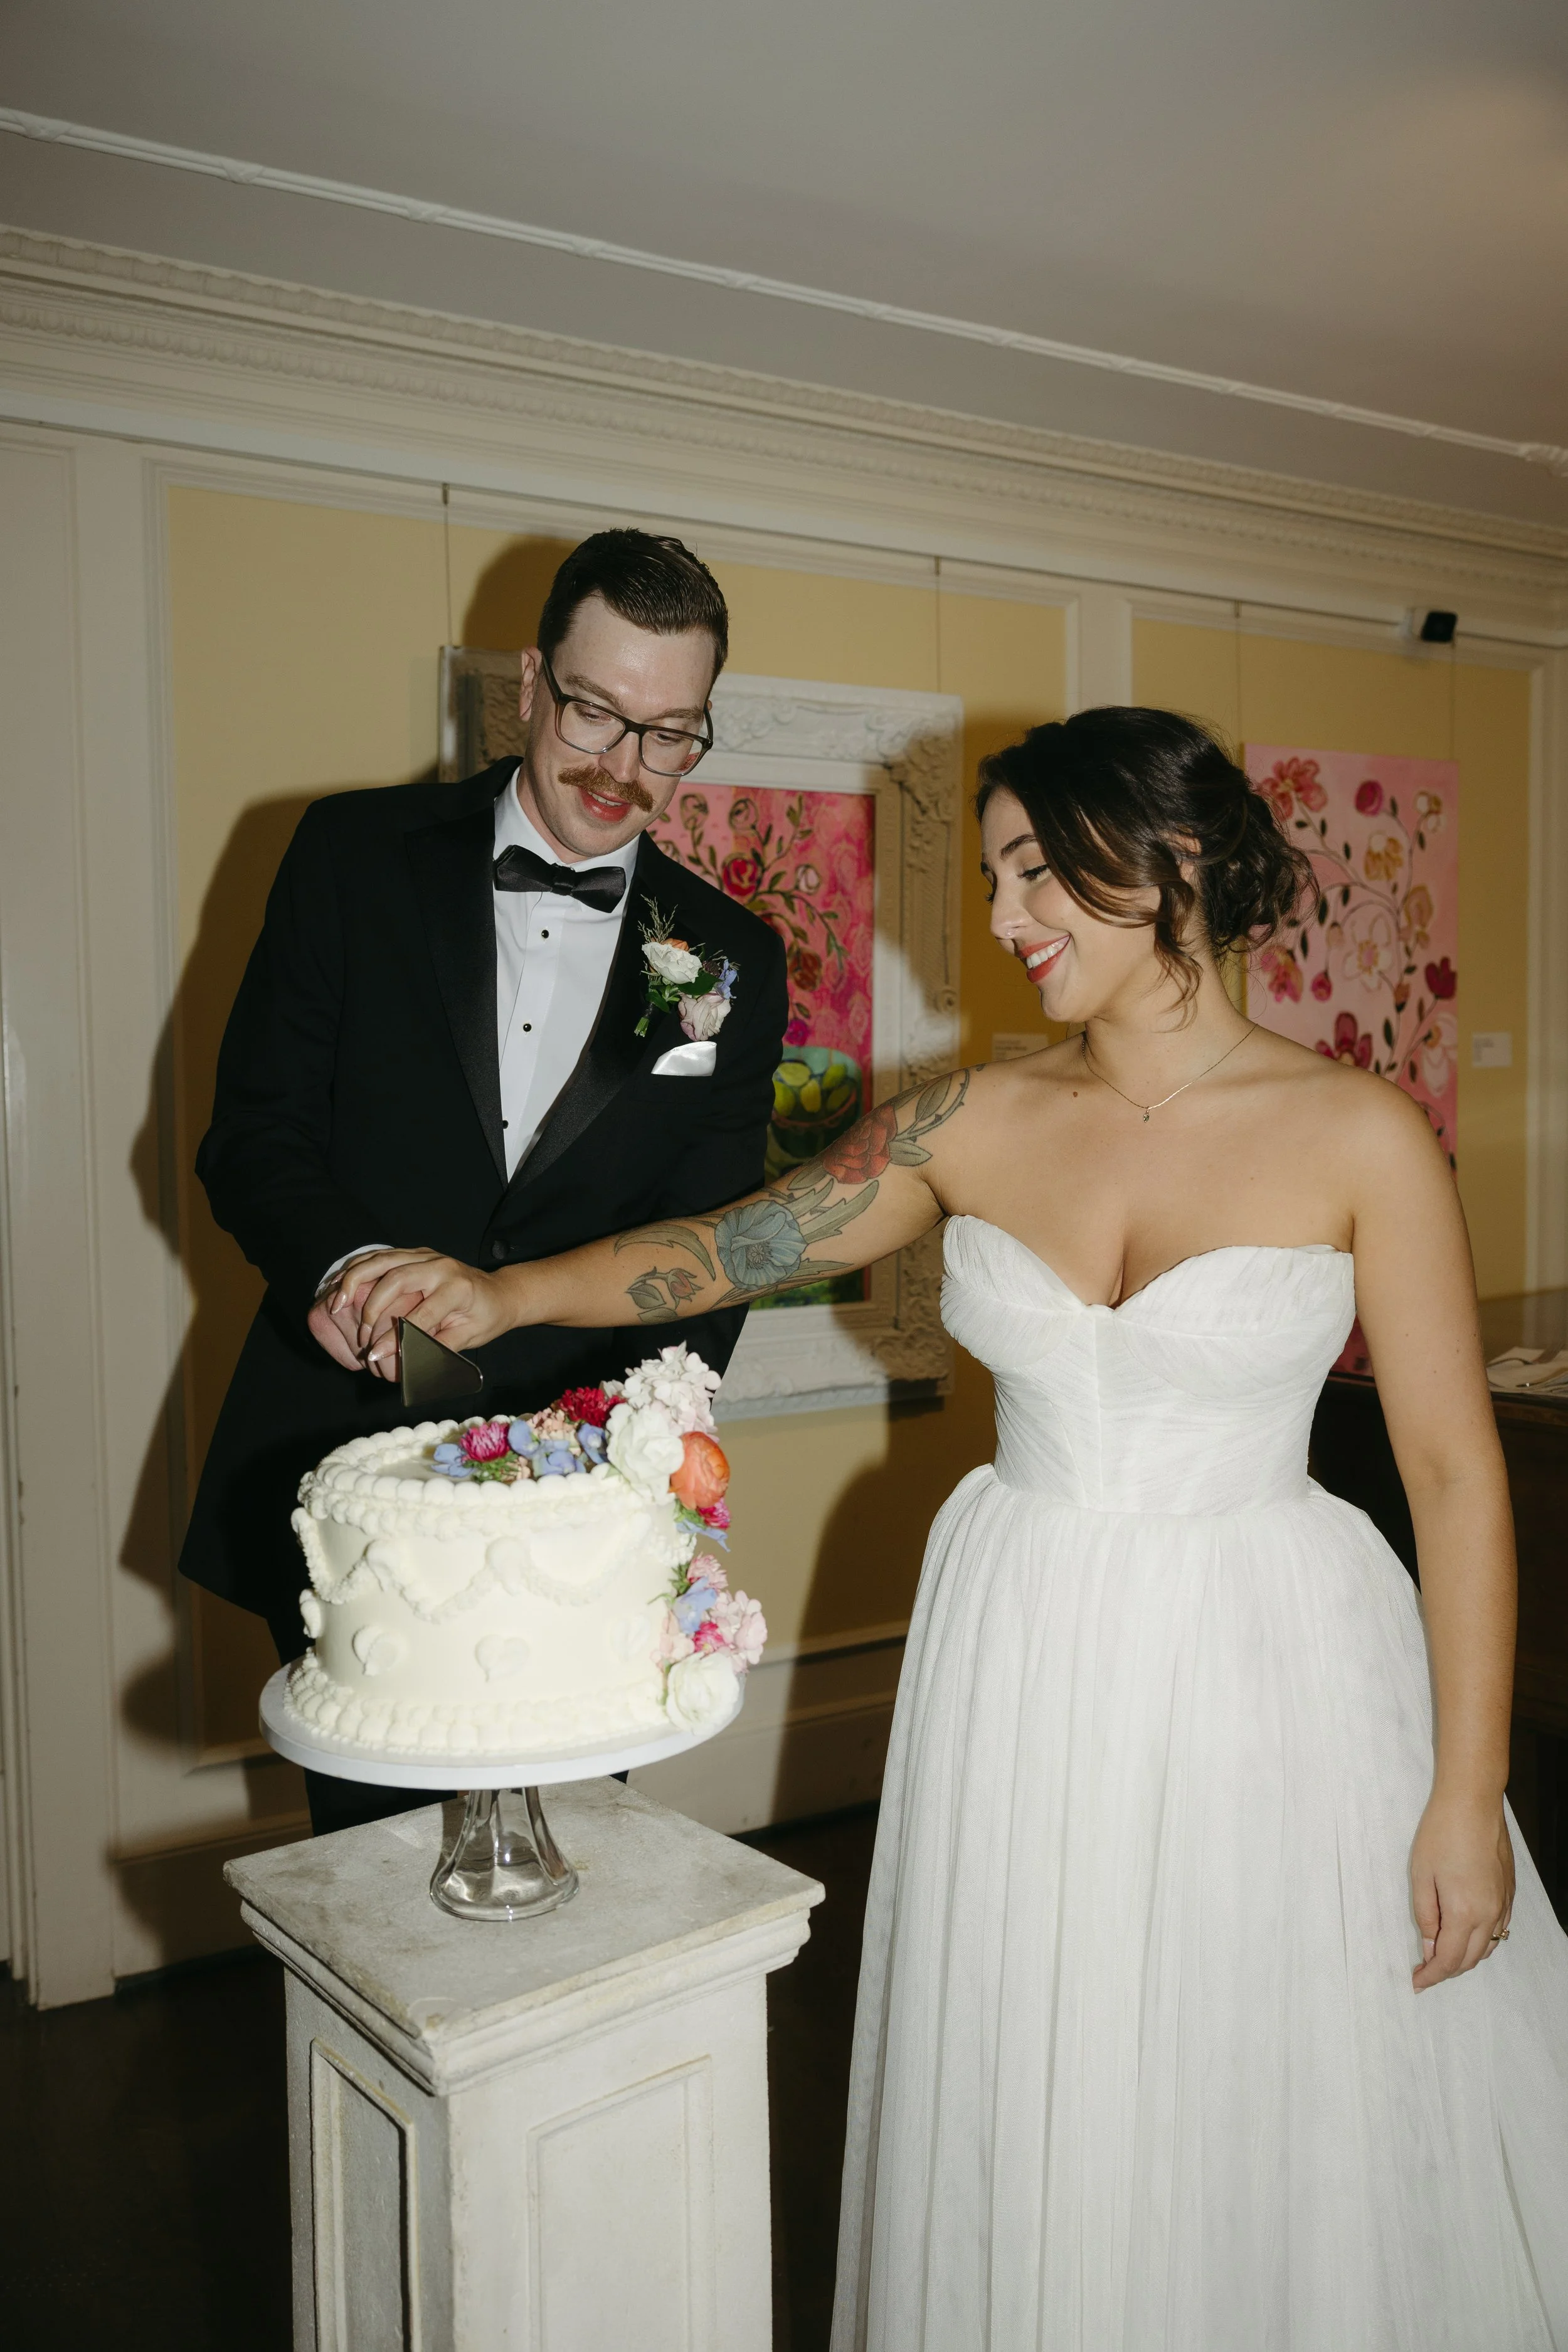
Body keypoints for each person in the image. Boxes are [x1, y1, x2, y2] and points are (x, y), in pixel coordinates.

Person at [342, 705, 1568, 2348]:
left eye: (1035, 872)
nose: (1001, 919)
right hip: (1028, 1640)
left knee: (1272, 2054)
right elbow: (731, 1245)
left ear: (1174, 860)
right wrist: (497, 1289)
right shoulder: (966, 1119)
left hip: (1273, 1663)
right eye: (994, 877)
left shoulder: (1357, 1135)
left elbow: (1449, 1471)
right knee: (1053, 2051)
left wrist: (1467, 1792)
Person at [179, 529, 788, 1835]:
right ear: (527, 683)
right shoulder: (350, 855)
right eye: (592, 713)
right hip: (357, 1477)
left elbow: (715, 1244)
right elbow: (254, 1135)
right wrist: (345, 1270)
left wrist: (627, 1458)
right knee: (372, 1882)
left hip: (585, 1522)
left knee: (574, 1882)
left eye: (669, 733)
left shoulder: (723, 957)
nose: (623, 769)